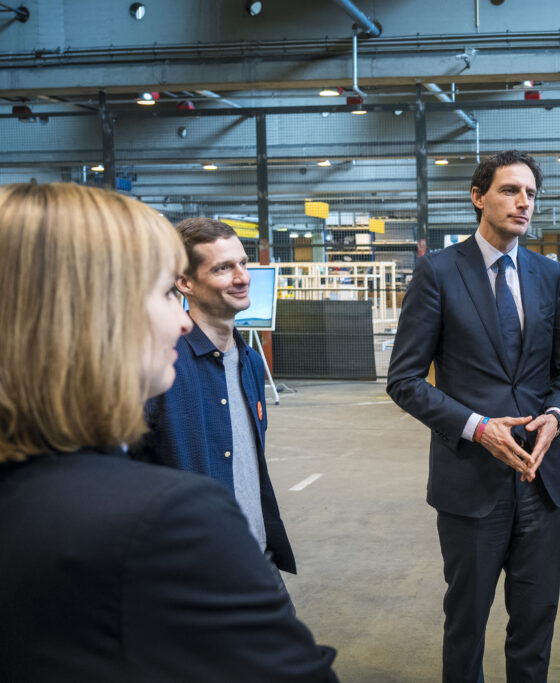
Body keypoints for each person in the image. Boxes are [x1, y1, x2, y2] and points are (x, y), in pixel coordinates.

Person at [0, 182, 337, 681]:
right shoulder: (169, 519)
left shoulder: (28, 489)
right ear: (93, 316)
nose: (180, 326)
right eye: (160, 291)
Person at [387, 150, 560, 682]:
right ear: (478, 197)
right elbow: (403, 381)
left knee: (535, 622)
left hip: (540, 481)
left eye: (531, 194)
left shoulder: (546, 274)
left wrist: (555, 416)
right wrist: (478, 428)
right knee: (467, 624)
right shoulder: (438, 273)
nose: (523, 202)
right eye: (510, 190)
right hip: (471, 482)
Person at [133, 217, 295, 580]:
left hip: (258, 560)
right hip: (195, 573)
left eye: (242, 263)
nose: (242, 278)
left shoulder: (251, 363)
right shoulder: (162, 367)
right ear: (184, 283)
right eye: (223, 268)